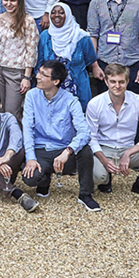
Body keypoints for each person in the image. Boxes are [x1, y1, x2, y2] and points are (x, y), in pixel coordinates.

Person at [84, 63, 139, 205]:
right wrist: (104, 160)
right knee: (98, 177)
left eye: (121, 82)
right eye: (113, 82)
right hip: (104, 150)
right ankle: (105, 179)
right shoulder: (95, 103)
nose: (117, 86)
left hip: (129, 149)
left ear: (127, 81)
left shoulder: (138, 101)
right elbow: (91, 137)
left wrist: (129, 153)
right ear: (106, 82)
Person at [22, 60, 97, 210]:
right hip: (41, 149)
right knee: (30, 178)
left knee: (86, 150)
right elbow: (27, 128)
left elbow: (84, 132)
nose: (38, 76)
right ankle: (44, 180)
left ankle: (85, 194)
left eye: (44, 75)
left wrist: (68, 151)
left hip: (63, 151)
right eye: (39, 72)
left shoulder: (71, 100)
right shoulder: (31, 96)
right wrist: (30, 158)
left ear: (56, 81)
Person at [0, 0, 38, 123]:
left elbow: (31, 50)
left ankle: (14, 136)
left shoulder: (28, 21)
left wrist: (27, 76)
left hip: (16, 71)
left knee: (12, 111)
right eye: (6, 0)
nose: (8, 4)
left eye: (12, 1)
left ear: (19, 1)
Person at [38, 1, 96, 107]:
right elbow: (40, 62)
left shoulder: (82, 37)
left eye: (61, 12)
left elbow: (90, 59)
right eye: (53, 12)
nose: (57, 15)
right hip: (51, 88)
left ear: (68, 15)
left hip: (77, 88)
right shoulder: (45, 36)